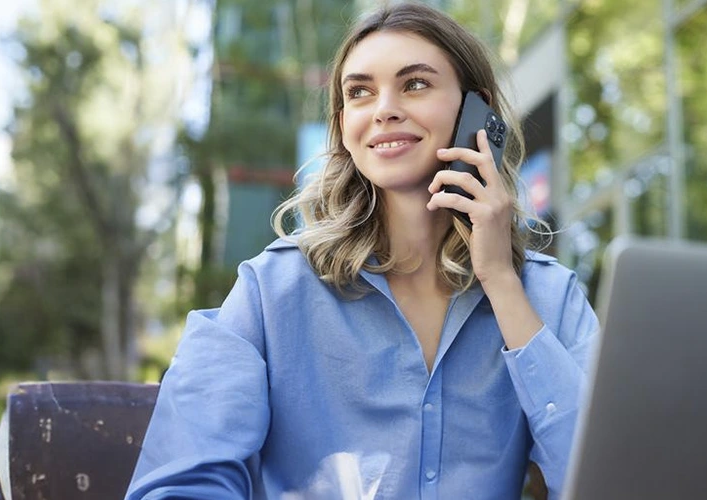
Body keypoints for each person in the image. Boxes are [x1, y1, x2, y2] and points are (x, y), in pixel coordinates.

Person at [127, 3, 597, 498]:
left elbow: (608, 476)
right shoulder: (272, 291)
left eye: (415, 83)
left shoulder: (545, 295)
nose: (383, 109)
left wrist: (500, 281)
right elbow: (181, 484)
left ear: (475, 110)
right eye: (360, 92)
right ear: (344, 125)